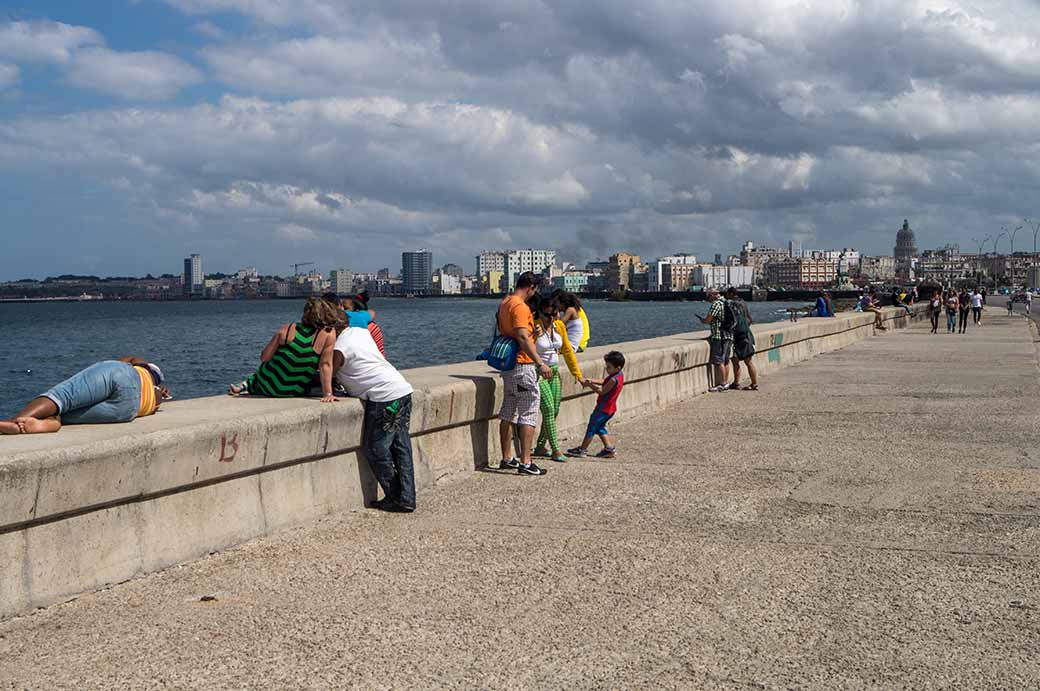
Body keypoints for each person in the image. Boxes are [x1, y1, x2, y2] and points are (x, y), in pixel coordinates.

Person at [333, 319, 416, 512]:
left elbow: (329, 369)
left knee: (376, 449)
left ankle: (395, 496)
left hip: (383, 398)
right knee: (401, 447)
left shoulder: (339, 348)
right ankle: (407, 497)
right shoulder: (359, 332)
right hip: (401, 389)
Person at [1, 357, 170, 435]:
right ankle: (52, 423)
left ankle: (13, 422)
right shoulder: (155, 399)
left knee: (63, 398)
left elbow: (124, 360)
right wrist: (160, 393)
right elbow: (157, 398)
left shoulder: (139, 367)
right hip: (127, 410)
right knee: (67, 413)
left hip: (122, 375)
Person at [229, 297, 342, 400]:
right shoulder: (328, 333)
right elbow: (325, 364)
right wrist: (328, 394)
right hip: (295, 390)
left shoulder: (287, 329)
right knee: (311, 374)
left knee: (267, 368)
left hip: (267, 387)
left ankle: (246, 385)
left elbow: (264, 357)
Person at [497, 272, 551, 476]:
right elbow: (520, 335)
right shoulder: (520, 306)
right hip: (523, 365)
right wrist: (540, 362)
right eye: (535, 289)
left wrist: (532, 335)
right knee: (528, 412)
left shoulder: (505, 303)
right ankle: (526, 462)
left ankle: (506, 458)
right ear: (530, 286)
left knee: (508, 412)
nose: (534, 293)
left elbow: (512, 333)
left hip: (509, 367)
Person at [529, 295, 584, 463]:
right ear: (539, 313)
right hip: (538, 373)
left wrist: (578, 374)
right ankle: (555, 449)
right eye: (547, 315)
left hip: (554, 373)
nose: (550, 318)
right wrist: (534, 336)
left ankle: (539, 445)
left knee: (555, 411)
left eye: (554, 314)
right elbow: (525, 347)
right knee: (548, 409)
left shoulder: (559, 326)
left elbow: (567, 351)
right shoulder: (533, 326)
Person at [566, 351, 625, 458]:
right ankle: (609, 449)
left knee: (592, 428)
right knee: (600, 427)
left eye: (609, 367)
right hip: (610, 409)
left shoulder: (613, 379)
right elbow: (603, 381)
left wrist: (589, 385)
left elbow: (602, 391)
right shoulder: (619, 375)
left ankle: (582, 449)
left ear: (618, 368)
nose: (607, 369)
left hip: (603, 409)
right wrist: (591, 380)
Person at [725, 287, 758, 391]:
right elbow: (749, 319)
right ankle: (737, 383)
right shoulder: (743, 303)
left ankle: (753, 384)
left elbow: (730, 321)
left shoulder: (731, 304)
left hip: (740, 336)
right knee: (738, 360)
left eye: (727, 294)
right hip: (747, 334)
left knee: (746, 361)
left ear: (731, 294)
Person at [700, 287, 733, 392]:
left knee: (719, 361)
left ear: (713, 295)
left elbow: (709, 319)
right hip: (728, 335)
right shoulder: (726, 302)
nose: (708, 299)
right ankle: (726, 382)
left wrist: (704, 321)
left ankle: (722, 384)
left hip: (719, 336)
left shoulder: (716, 304)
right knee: (726, 360)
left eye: (708, 296)